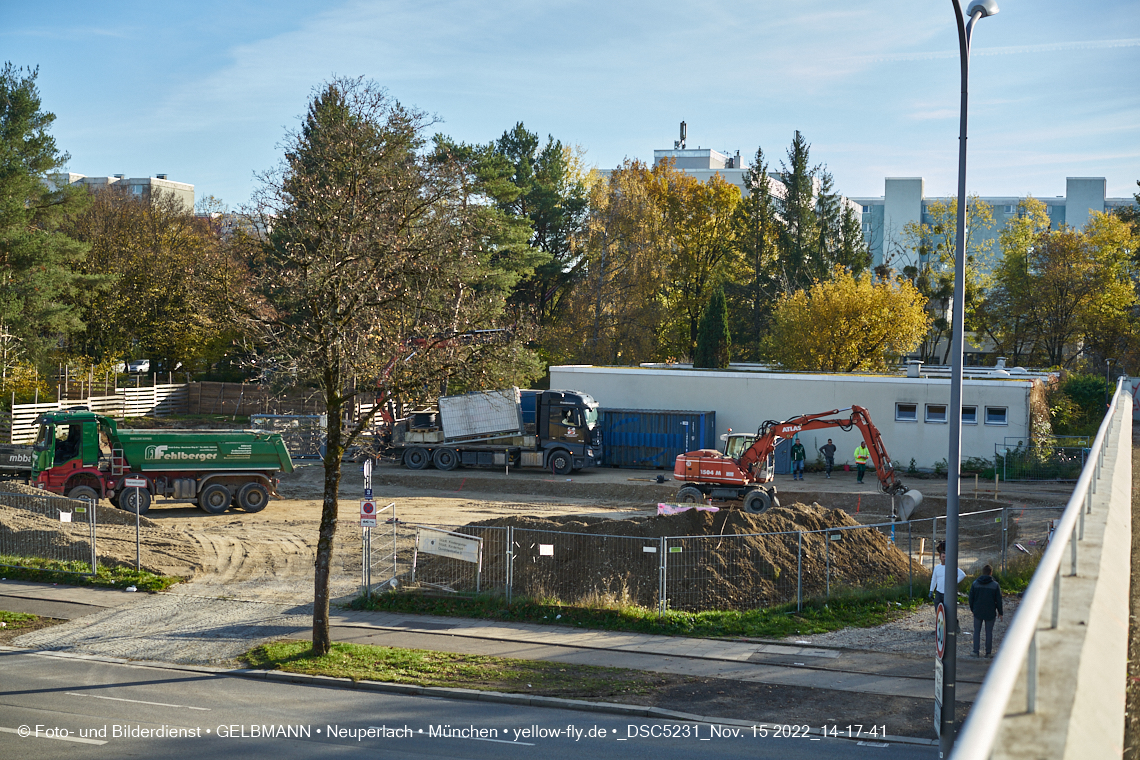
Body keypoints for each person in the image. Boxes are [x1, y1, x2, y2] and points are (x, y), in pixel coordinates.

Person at [969, 564, 1003, 657]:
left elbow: (971, 598)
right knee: (989, 632)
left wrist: (973, 609)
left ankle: (975, 651)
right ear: (991, 573)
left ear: (982, 572)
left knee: (977, 631)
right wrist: (1000, 612)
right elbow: (999, 600)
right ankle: (988, 652)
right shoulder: (995, 585)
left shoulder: (975, 583)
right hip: (990, 612)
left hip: (978, 611)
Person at [929, 541, 966, 627]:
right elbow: (933, 579)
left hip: (948, 593)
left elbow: (962, 575)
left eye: (946, 557)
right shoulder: (937, 568)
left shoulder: (951, 567)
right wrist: (931, 590)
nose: (944, 558)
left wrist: (953, 583)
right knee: (938, 610)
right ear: (940, 558)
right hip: (939, 592)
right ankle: (940, 628)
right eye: (943, 557)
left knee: (950, 611)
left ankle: (955, 626)